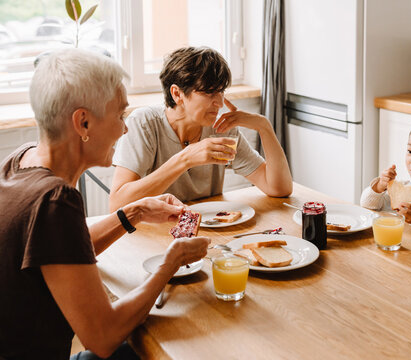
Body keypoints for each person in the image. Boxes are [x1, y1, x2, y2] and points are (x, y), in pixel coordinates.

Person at [0, 49, 210, 360]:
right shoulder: (55, 200)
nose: (125, 129)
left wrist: (135, 212)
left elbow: (61, 252)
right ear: (83, 123)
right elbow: (103, 337)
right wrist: (170, 263)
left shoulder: (19, 160)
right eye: (121, 115)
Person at [109, 46, 292, 210]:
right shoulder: (144, 123)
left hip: (207, 234)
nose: (219, 103)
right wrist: (185, 159)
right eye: (209, 92)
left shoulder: (221, 129)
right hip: (153, 235)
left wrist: (264, 126)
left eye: (221, 91)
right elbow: (117, 205)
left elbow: (279, 188)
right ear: (177, 94)